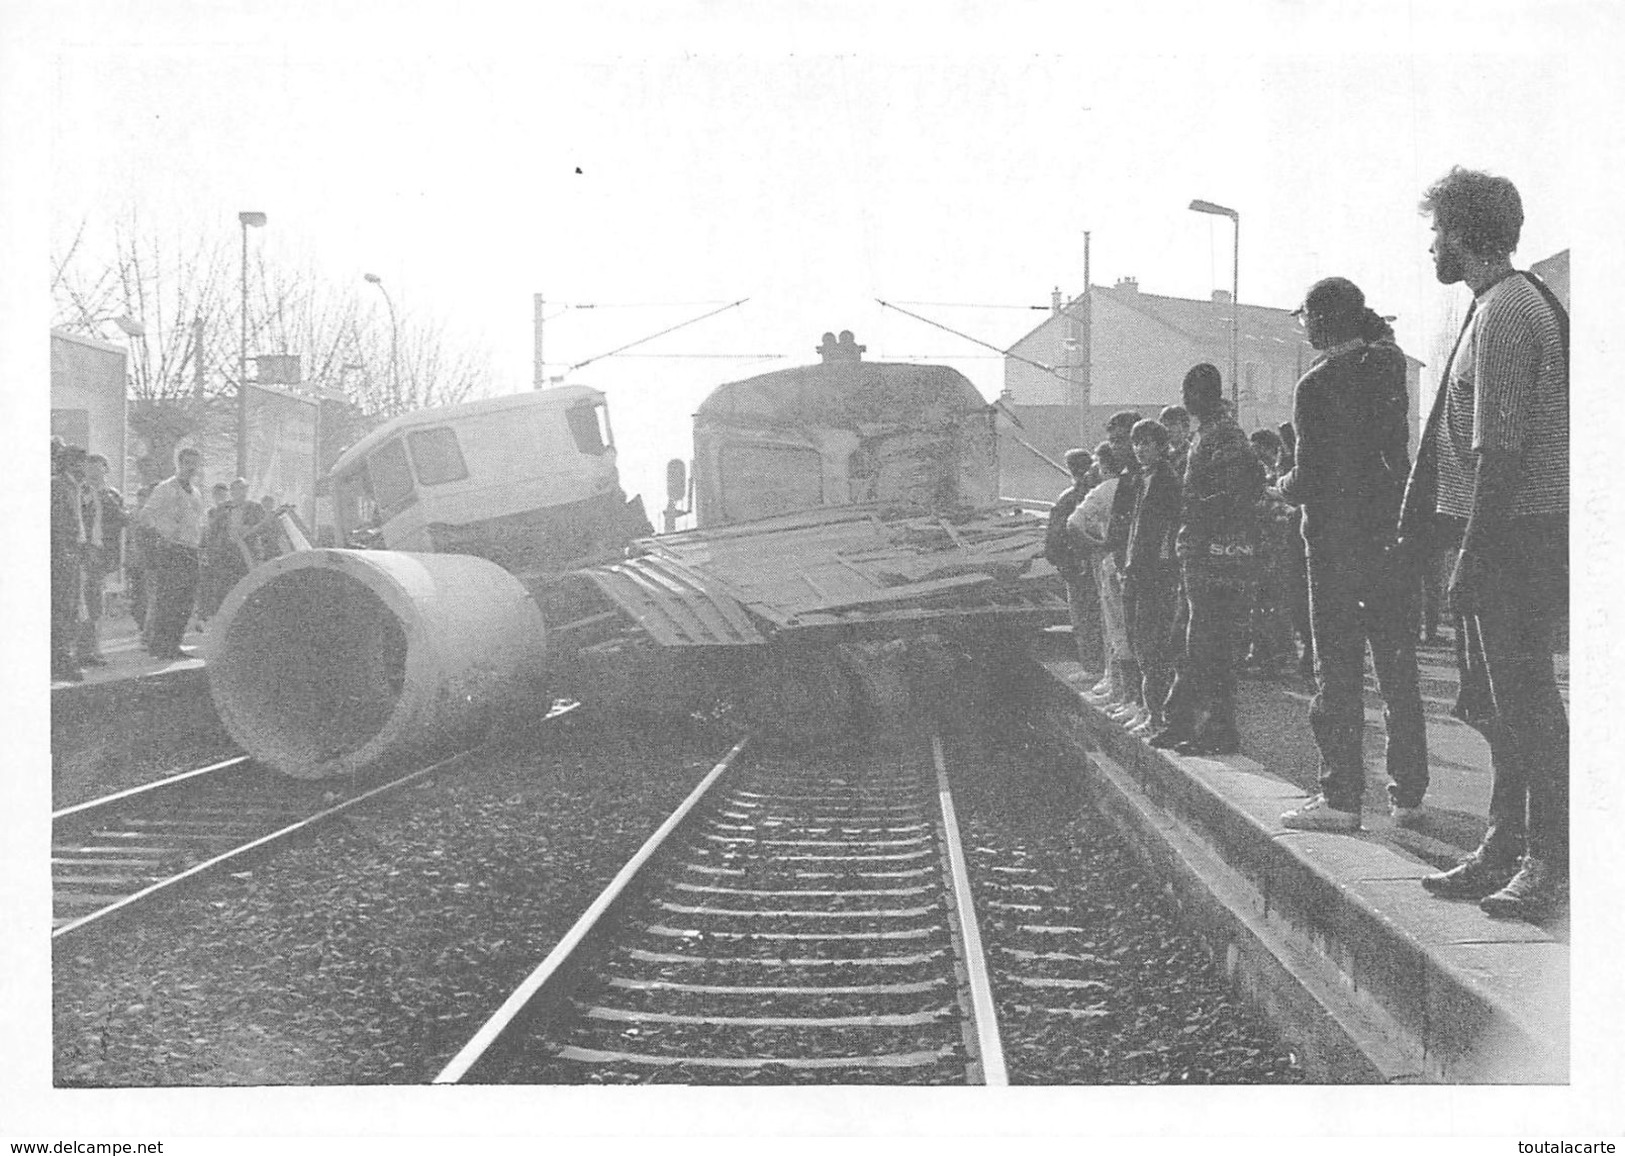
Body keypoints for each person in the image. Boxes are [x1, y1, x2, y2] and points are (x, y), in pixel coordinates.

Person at [1399, 167, 1569, 918]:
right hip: (1499, 533)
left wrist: (1470, 553)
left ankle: (1547, 863)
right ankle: (1504, 847)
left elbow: (1497, 451)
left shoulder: (1505, 312)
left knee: (1524, 705)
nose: (1430, 245)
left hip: (1511, 537)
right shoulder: (1492, 305)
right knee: (1493, 704)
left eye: (1435, 230)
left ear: (1464, 233)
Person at [1275, 277, 1429, 833]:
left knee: (1336, 667)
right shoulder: (1388, 369)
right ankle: (1407, 793)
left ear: (1321, 321)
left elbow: (1312, 475)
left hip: (1336, 546)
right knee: (1396, 664)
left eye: (1306, 319)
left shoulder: (1317, 384)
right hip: (1386, 536)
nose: (1304, 328)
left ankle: (1340, 795)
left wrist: (1283, 485)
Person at [1151, 364, 1264, 756]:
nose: (1186, 399)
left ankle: (1216, 729)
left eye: (1191, 392)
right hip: (1200, 553)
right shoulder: (1210, 434)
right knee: (1191, 641)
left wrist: (1195, 508)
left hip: (1217, 557)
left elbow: (1239, 492)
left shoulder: (1224, 436)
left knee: (1211, 645)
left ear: (1202, 396)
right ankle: (1183, 721)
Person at [1122, 419, 1183, 737]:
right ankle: (1149, 709)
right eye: (1137, 443)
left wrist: (1161, 566)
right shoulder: (1139, 480)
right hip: (1138, 570)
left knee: (1152, 645)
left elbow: (1169, 531)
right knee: (1139, 641)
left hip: (1155, 574)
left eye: (1147, 443)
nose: (1140, 449)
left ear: (1162, 446)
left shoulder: (1167, 481)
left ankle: (1156, 714)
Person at [1072, 441, 1135, 709]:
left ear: (1104, 464)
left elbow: (1074, 523)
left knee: (1114, 627)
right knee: (1131, 629)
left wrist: (1095, 545)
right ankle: (1127, 695)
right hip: (1134, 561)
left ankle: (1117, 690)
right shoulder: (1135, 485)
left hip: (1110, 561)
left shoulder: (1104, 490)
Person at [140, 447, 207, 661]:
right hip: (172, 549)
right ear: (179, 463)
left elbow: (198, 522)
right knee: (169, 599)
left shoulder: (196, 492)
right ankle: (160, 646)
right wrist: (165, 533)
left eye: (195, 463)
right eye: (187, 462)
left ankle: (175, 643)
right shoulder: (166, 488)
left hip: (191, 549)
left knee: (185, 600)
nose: (191, 467)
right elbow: (147, 514)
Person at [1045, 448, 1101, 672]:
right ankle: (1100, 667)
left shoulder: (1068, 498)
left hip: (1076, 570)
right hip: (1095, 564)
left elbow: (1053, 541)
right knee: (1099, 620)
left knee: (1083, 620)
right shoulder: (1101, 494)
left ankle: (1090, 666)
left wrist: (1062, 564)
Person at [75, 453, 126, 667]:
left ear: (106, 470)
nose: (94, 473)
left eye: (98, 468)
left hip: (103, 553)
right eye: (90, 468)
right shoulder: (79, 491)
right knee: (85, 600)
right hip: (84, 552)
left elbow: (120, 519)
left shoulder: (112, 494)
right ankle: (84, 650)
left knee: (96, 601)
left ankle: (94, 648)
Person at [50, 443, 88, 682]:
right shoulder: (58, 486)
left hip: (73, 553)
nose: (83, 467)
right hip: (62, 555)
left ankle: (63, 657)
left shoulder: (74, 487)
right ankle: (60, 659)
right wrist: (64, 552)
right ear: (69, 464)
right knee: (62, 607)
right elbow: (56, 523)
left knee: (71, 607)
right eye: (79, 463)